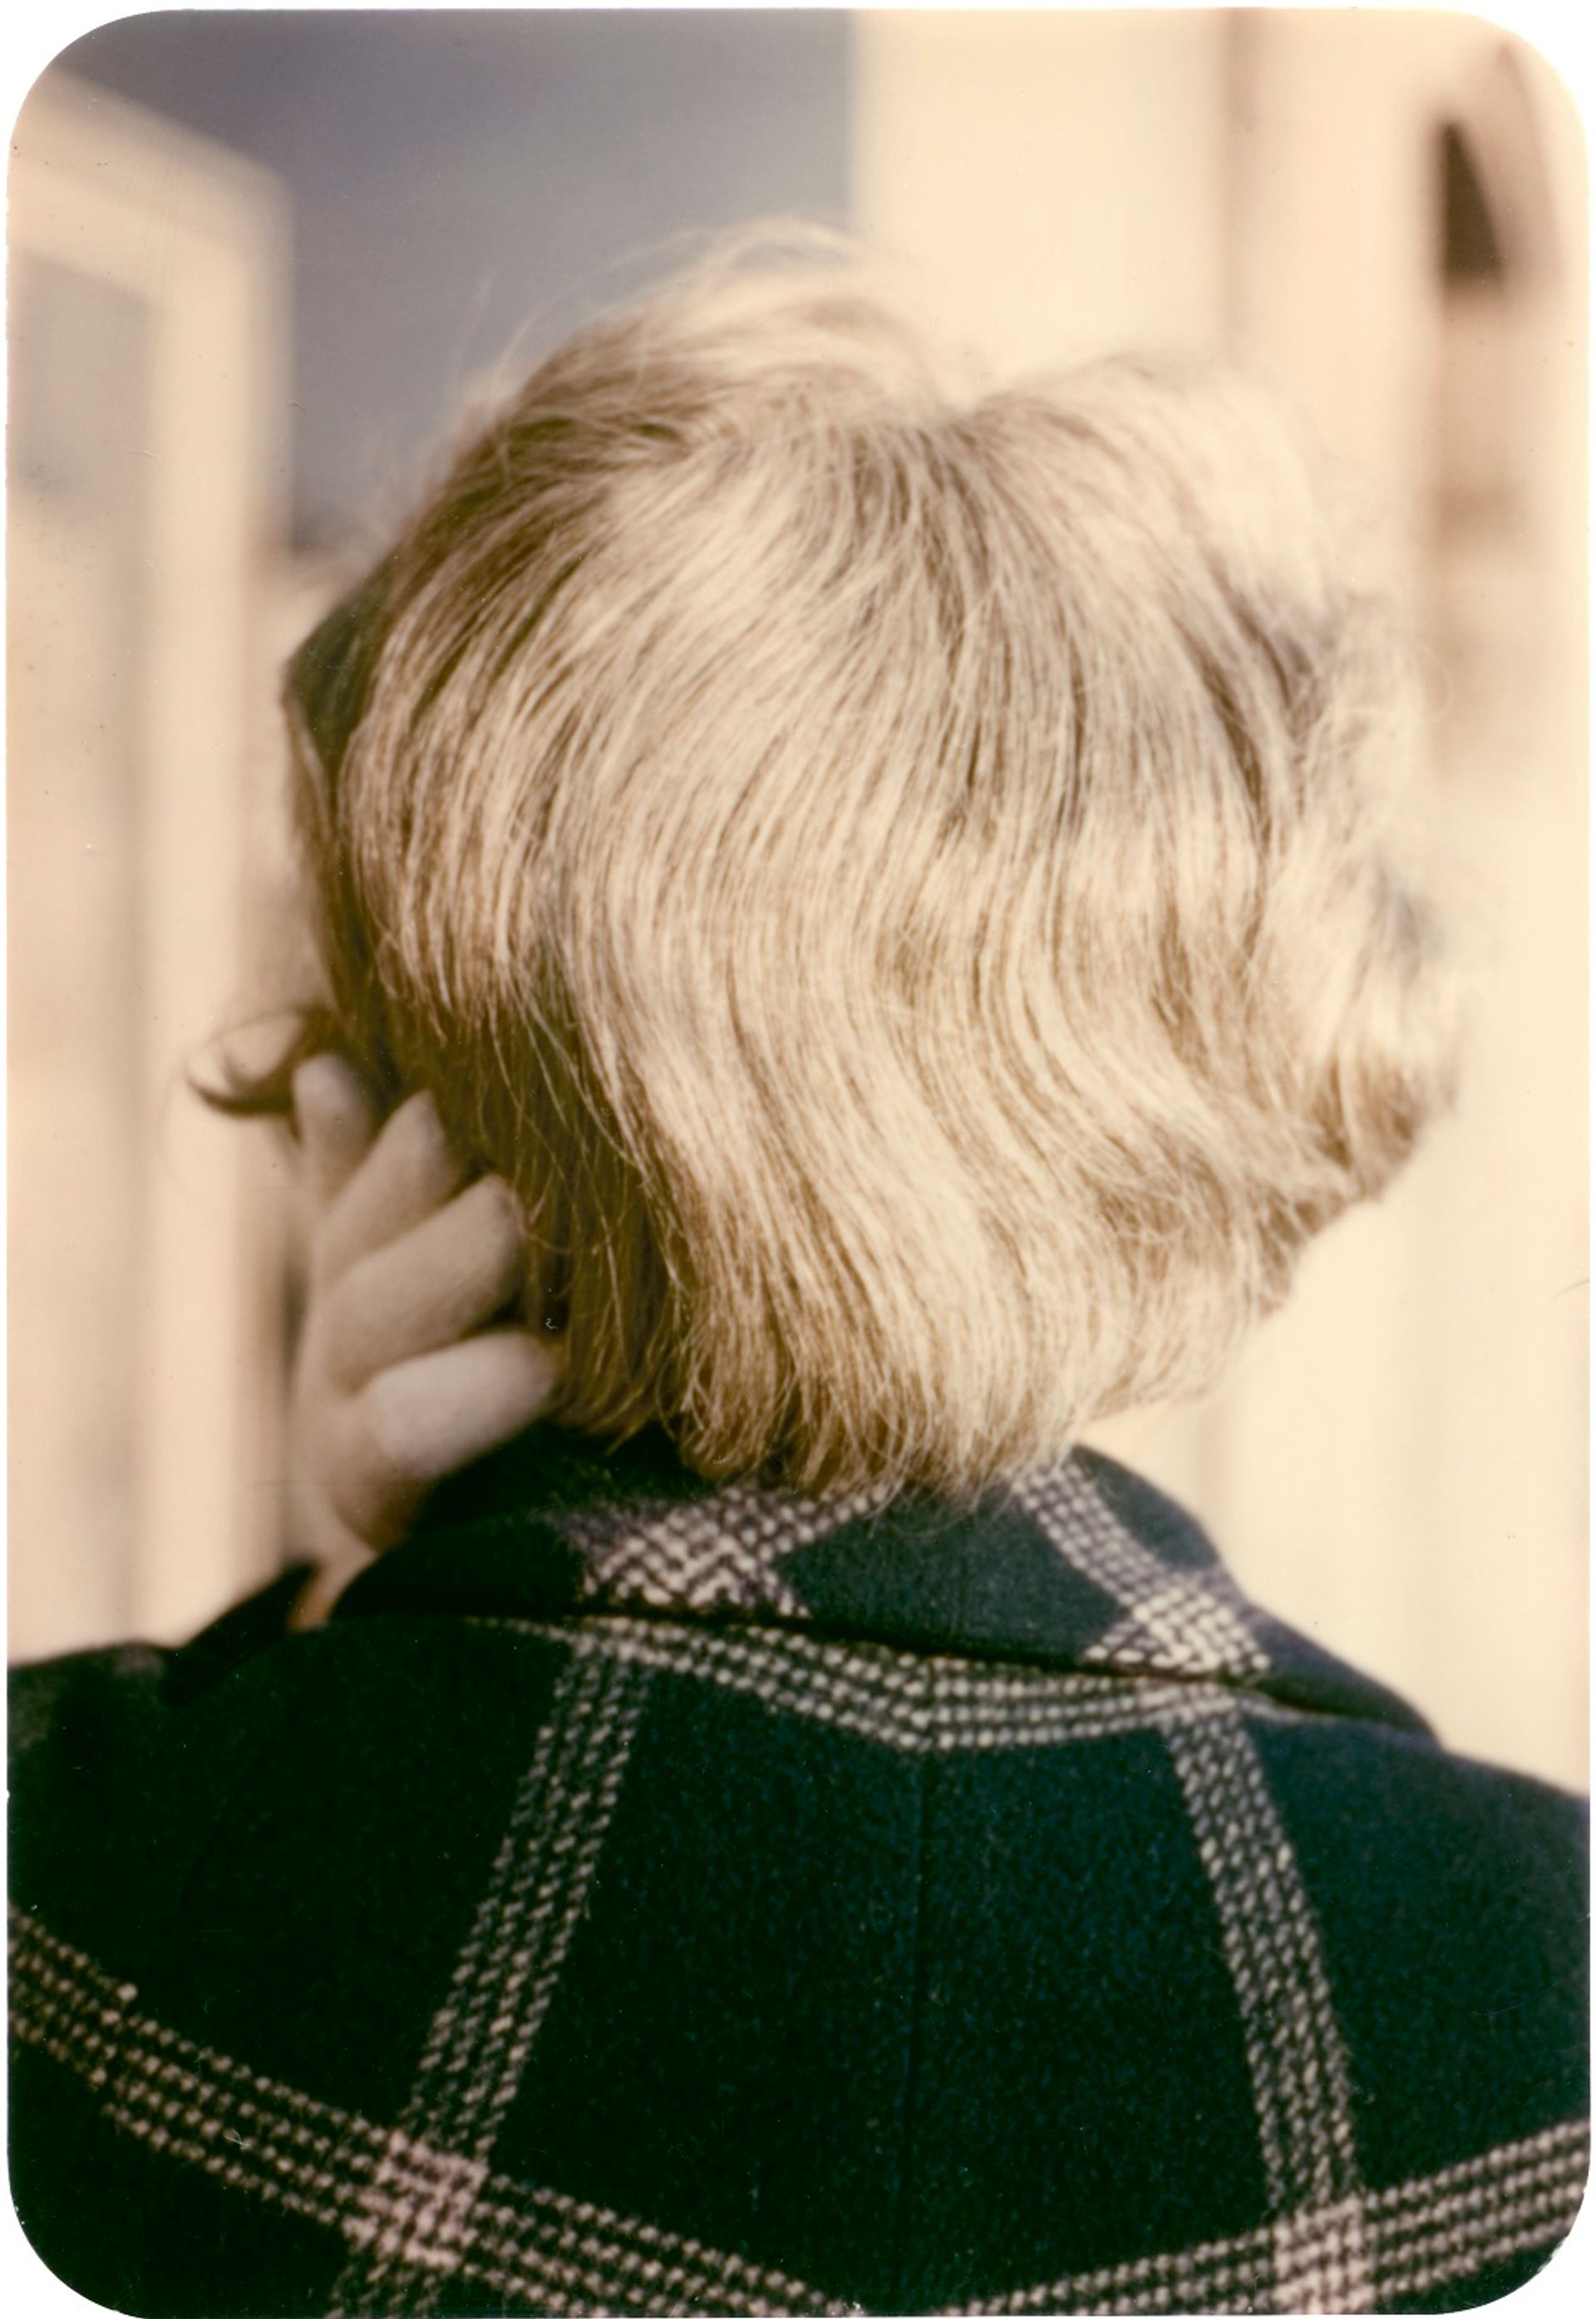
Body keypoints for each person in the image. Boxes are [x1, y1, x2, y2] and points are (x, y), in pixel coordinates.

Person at [10, 239, 1587, 2317]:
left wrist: (341, 1603)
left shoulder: (69, 1896)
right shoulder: (1539, 1994)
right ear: (1193, 1132)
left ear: (379, 1124)